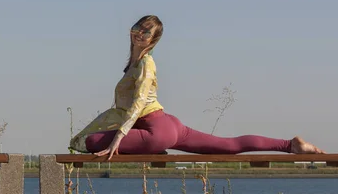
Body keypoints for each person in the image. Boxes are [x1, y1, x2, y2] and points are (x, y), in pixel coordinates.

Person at [69, 15, 325, 160]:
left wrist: (119, 138)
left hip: (155, 128)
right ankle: (290, 145)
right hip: (167, 124)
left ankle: (152, 146)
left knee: (91, 142)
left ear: (153, 40)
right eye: (138, 27)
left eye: (146, 32)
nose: (139, 33)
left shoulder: (146, 63)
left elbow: (137, 105)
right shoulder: (134, 63)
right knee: (226, 145)